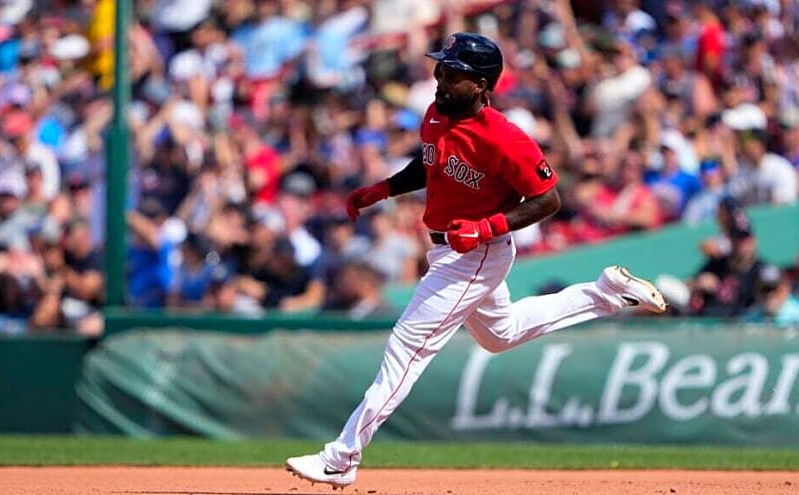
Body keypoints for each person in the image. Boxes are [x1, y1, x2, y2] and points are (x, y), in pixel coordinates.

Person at [284, 32, 667, 490]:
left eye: (455, 74)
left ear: (482, 86)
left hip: (476, 253)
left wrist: (487, 228)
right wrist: (383, 189)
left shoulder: (504, 138)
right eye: (441, 69)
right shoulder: (436, 113)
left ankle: (341, 457)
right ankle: (603, 293)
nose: (441, 80)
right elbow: (430, 164)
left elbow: (548, 200)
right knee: (499, 335)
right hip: (448, 247)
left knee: (407, 348)